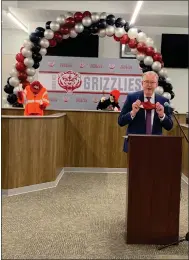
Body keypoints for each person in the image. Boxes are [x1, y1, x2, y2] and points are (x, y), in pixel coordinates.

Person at [118, 71, 173, 152]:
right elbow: (120, 121)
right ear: (142, 83)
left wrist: (162, 115)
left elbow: (169, 126)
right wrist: (132, 112)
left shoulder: (164, 101)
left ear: (156, 84)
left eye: (152, 82)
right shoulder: (132, 98)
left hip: (156, 146)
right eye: (146, 82)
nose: (149, 85)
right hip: (135, 145)